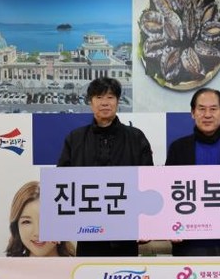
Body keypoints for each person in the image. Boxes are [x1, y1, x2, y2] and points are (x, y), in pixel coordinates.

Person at [57, 77, 154, 256]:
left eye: (110, 97)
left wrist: (146, 225)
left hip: (126, 231)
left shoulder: (136, 137)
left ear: (118, 101)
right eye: (99, 97)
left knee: (124, 274)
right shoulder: (75, 138)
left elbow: (148, 183)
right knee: (88, 274)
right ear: (90, 102)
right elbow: (62, 183)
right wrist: (58, 226)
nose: (104, 103)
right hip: (87, 230)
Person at [165, 87, 220, 256]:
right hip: (188, 243)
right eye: (201, 109)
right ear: (192, 113)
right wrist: (170, 228)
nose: (207, 115)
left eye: (213, 109)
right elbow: (169, 193)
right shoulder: (178, 148)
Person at [6, 181, 75, 257]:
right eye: (27, 222)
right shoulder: (4, 265)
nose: (38, 233)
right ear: (16, 226)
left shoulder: (81, 263)